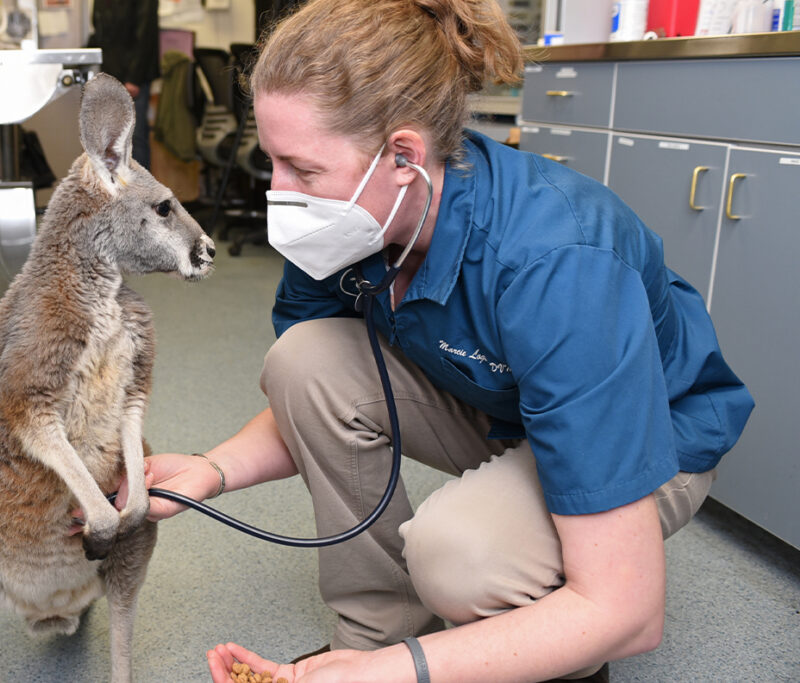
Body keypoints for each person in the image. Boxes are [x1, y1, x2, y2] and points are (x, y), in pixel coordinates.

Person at [105, 1, 754, 680]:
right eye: (273, 162)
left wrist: (401, 674)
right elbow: (317, 397)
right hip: (507, 406)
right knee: (301, 358)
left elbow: (629, 609)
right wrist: (212, 469)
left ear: (404, 157)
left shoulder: (559, 260)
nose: (281, 193)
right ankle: (377, 632)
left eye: (303, 168)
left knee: (461, 556)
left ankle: (551, 647)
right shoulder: (347, 219)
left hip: (651, 440)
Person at [89, 0, 160, 169]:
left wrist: (134, 78)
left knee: (135, 140)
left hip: (133, 77)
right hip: (110, 75)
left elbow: (146, 35)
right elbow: (100, 33)